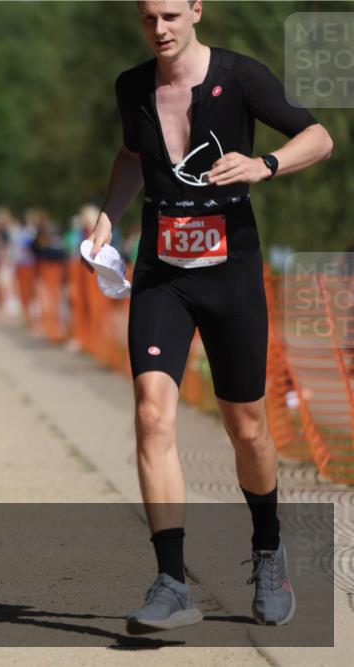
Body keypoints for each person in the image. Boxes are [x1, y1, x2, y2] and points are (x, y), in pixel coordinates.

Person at [87, 0, 333, 633]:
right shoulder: (131, 86)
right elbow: (130, 158)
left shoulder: (241, 75)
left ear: (196, 10)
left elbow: (319, 137)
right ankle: (172, 582)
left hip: (231, 275)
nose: (160, 29)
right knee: (150, 414)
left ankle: (268, 549)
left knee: (248, 429)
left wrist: (265, 164)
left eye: (171, 15)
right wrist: (109, 216)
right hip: (162, 276)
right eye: (148, 19)